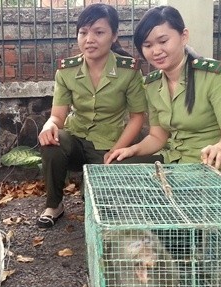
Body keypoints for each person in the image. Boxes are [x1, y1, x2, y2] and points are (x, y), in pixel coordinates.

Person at [37, 3, 148, 229]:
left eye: (99, 32)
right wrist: (49, 125)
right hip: (76, 138)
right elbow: (58, 116)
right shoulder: (66, 71)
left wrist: (118, 150)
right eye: (83, 32)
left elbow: (137, 117)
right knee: (53, 143)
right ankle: (54, 204)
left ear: (114, 36)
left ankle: (95, 192)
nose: (89, 39)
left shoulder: (129, 71)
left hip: (109, 143)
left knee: (98, 209)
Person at [110, 5, 221, 185]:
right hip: (174, 162)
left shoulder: (215, 76)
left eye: (163, 41)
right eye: (148, 45)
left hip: (210, 166)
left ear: (184, 36)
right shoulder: (152, 84)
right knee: (116, 168)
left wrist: (219, 148)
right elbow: (158, 137)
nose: (156, 51)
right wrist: (132, 150)